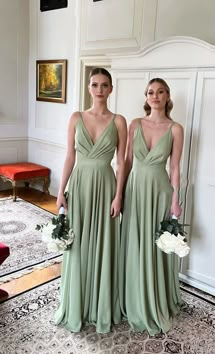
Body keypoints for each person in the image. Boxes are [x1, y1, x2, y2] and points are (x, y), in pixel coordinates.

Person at [54, 67, 127, 333]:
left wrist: (119, 195)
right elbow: (70, 157)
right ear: (88, 87)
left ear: (110, 89)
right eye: (94, 84)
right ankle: (77, 303)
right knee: (78, 243)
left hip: (106, 185)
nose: (99, 90)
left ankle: (100, 305)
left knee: (103, 242)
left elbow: (121, 162)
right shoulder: (76, 117)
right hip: (81, 185)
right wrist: (61, 191)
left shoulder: (119, 121)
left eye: (104, 85)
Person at [119, 78, 184, 335]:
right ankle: (132, 296)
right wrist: (119, 193)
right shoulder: (134, 124)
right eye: (150, 92)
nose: (155, 96)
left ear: (168, 96)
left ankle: (154, 298)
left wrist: (175, 200)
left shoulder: (175, 128)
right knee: (134, 241)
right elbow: (125, 162)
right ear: (145, 97)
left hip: (159, 191)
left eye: (160, 92)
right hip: (134, 190)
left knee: (154, 245)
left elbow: (176, 168)